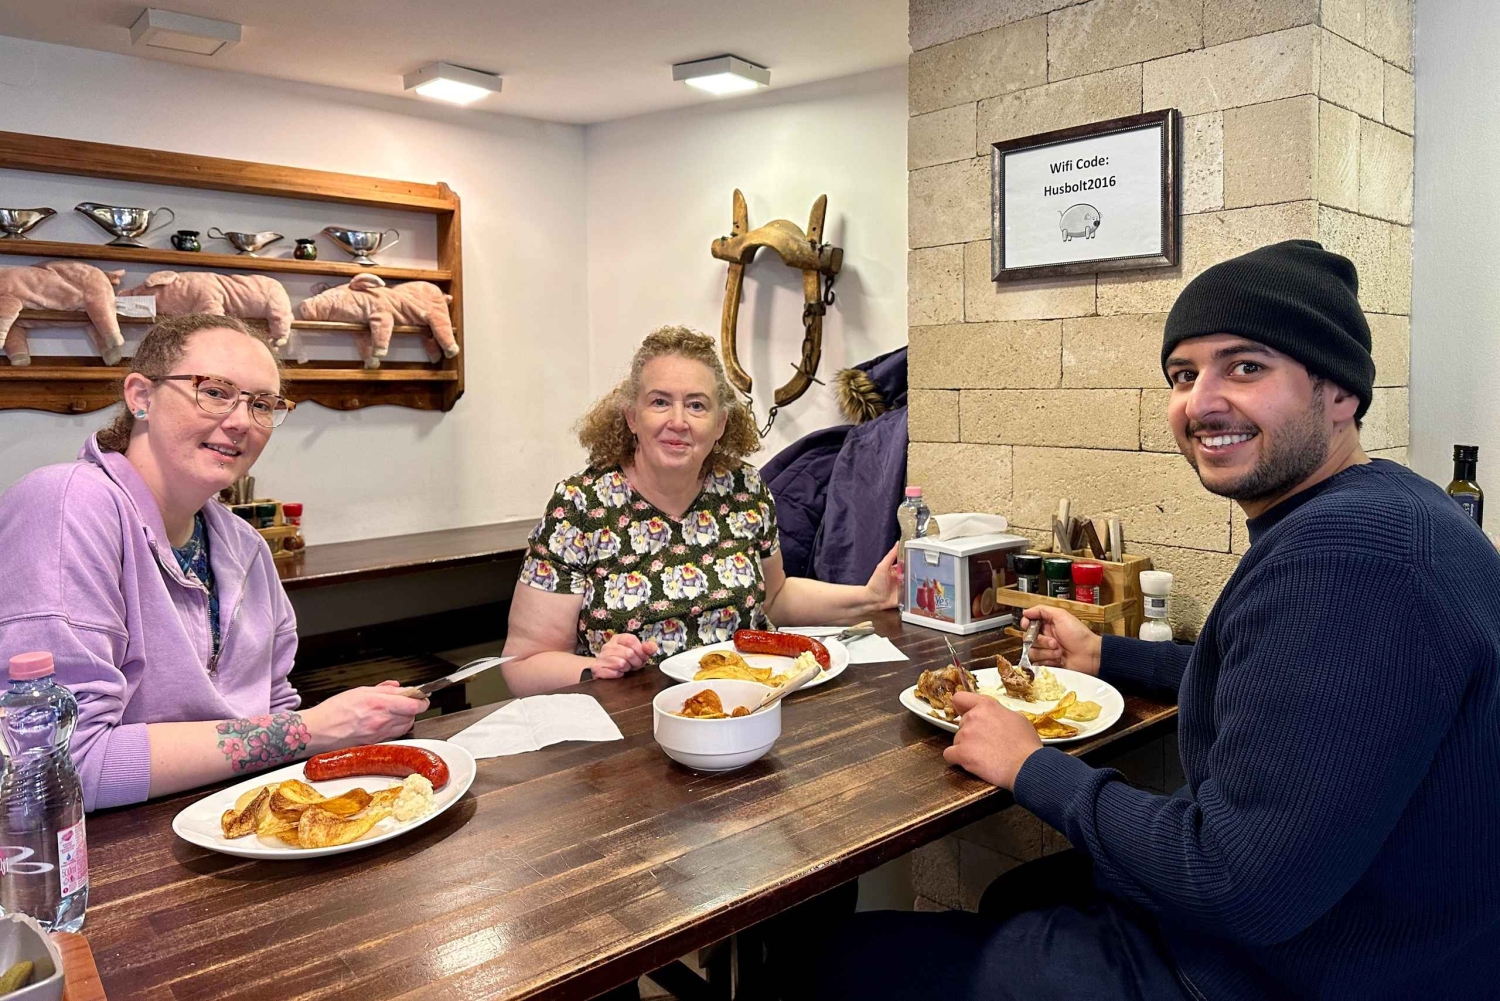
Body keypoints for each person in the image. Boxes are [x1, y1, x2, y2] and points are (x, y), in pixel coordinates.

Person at [791, 241, 1500, 1000]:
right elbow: (1275, 685)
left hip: (1284, 971)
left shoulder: (1352, 556)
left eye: (1246, 367)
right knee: (1015, 894)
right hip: (1327, 931)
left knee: (838, 962)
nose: (1202, 403)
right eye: (1184, 374)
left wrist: (1031, 766)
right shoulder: (1385, 510)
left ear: (1340, 394)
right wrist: (1106, 655)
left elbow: (1237, 882)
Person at [0, 314, 429, 812]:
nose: (242, 421)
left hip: (238, 824)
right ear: (141, 396)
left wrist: (350, 728)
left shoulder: (245, 546)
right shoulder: (66, 504)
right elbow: (60, 762)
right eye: (216, 392)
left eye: (262, 404)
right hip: (102, 845)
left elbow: (274, 713)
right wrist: (313, 728)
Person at [501, 325, 901, 696]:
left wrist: (868, 596)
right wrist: (595, 668)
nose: (678, 421)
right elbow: (523, 664)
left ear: (721, 423)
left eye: (696, 405)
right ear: (632, 417)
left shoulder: (745, 490)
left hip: (750, 704)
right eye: (660, 402)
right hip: (633, 719)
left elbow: (775, 596)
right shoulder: (579, 507)